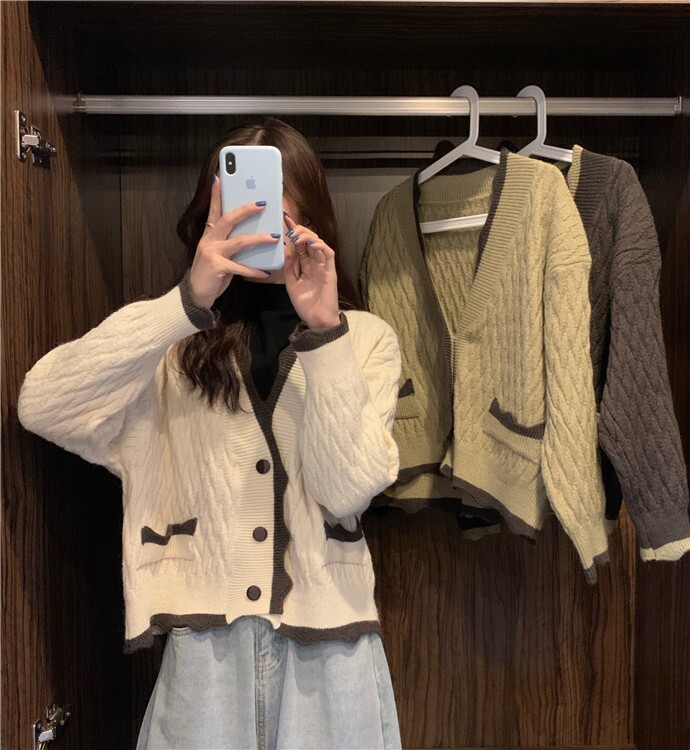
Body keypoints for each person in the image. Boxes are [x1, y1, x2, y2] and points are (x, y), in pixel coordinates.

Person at [17, 118, 403, 749]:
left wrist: (324, 331)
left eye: (273, 215)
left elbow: (346, 493)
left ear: (312, 222)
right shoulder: (170, 352)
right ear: (206, 222)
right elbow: (43, 405)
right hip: (205, 651)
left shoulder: (362, 341)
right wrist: (185, 302)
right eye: (235, 214)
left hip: (333, 648)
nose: (256, 231)